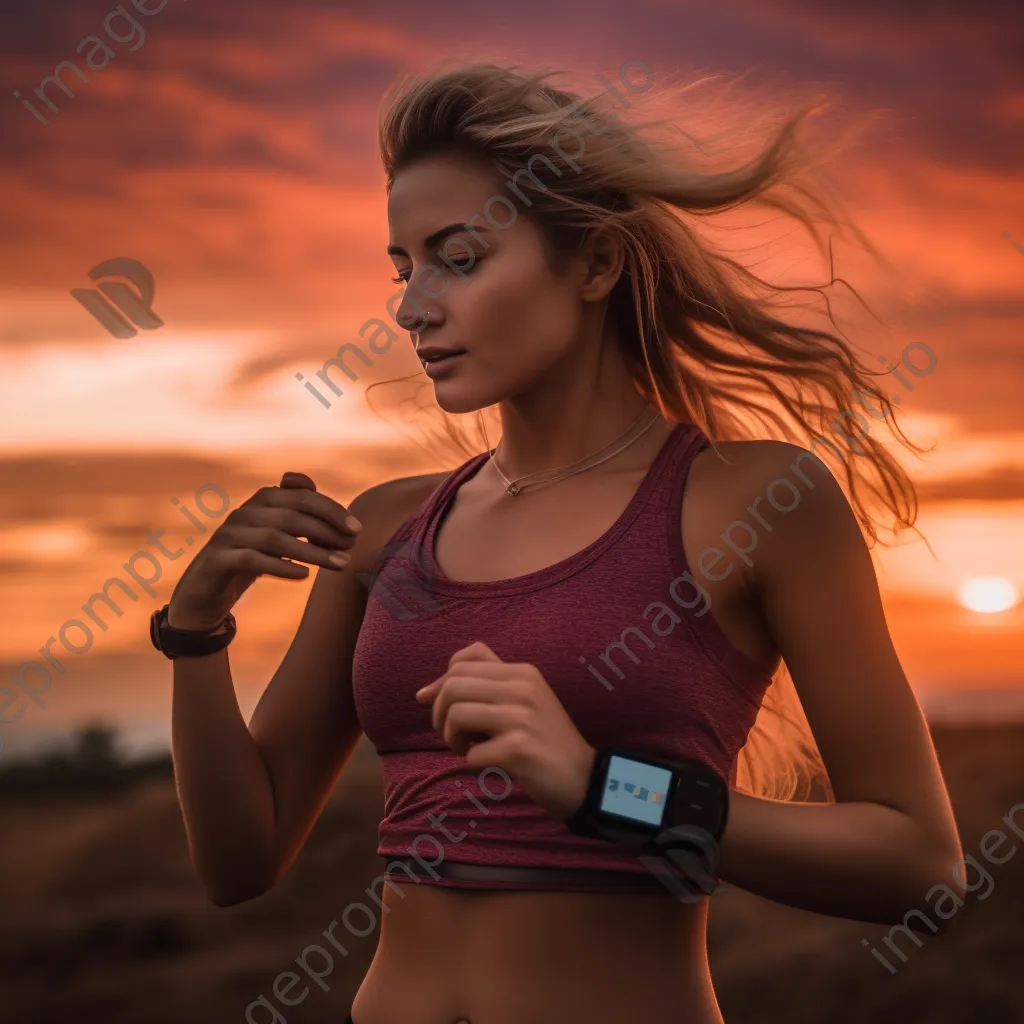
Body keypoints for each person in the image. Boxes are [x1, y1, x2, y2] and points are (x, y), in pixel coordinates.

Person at [159, 61, 966, 1024]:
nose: (413, 306)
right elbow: (239, 863)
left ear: (594, 264)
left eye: (458, 258)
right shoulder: (384, 529)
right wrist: (196, 631)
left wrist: (601, 786)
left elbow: (920, 867)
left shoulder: (755, 502)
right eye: (403, 268)